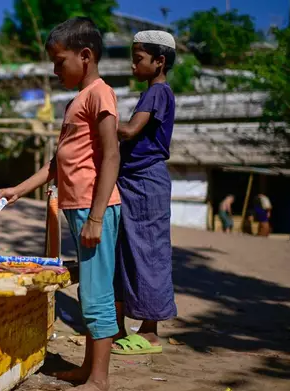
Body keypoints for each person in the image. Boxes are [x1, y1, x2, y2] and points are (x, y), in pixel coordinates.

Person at [0, 18, 121, 391]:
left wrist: (97, 217)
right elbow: (57, 163)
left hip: (94, 207)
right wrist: (18, 190)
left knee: (97, 290)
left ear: (85, 56)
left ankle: (99, 379)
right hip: (78, 206)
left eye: (59, 61)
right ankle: (87, 370)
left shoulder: (101, 93)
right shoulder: (76, 101)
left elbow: (112, 155)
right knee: (90, 290)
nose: (54, 71)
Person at [112, 30, 178, 356]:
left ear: (159, 61)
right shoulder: (150, 94)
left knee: (149, 254)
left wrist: (97, 118)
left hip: (146, 182)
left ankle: (150, 333)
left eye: (138, 59)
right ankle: (121, 327)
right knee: (127, 252)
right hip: (132, 182)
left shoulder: (157, 93)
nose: (133, 65)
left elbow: (129, 131)